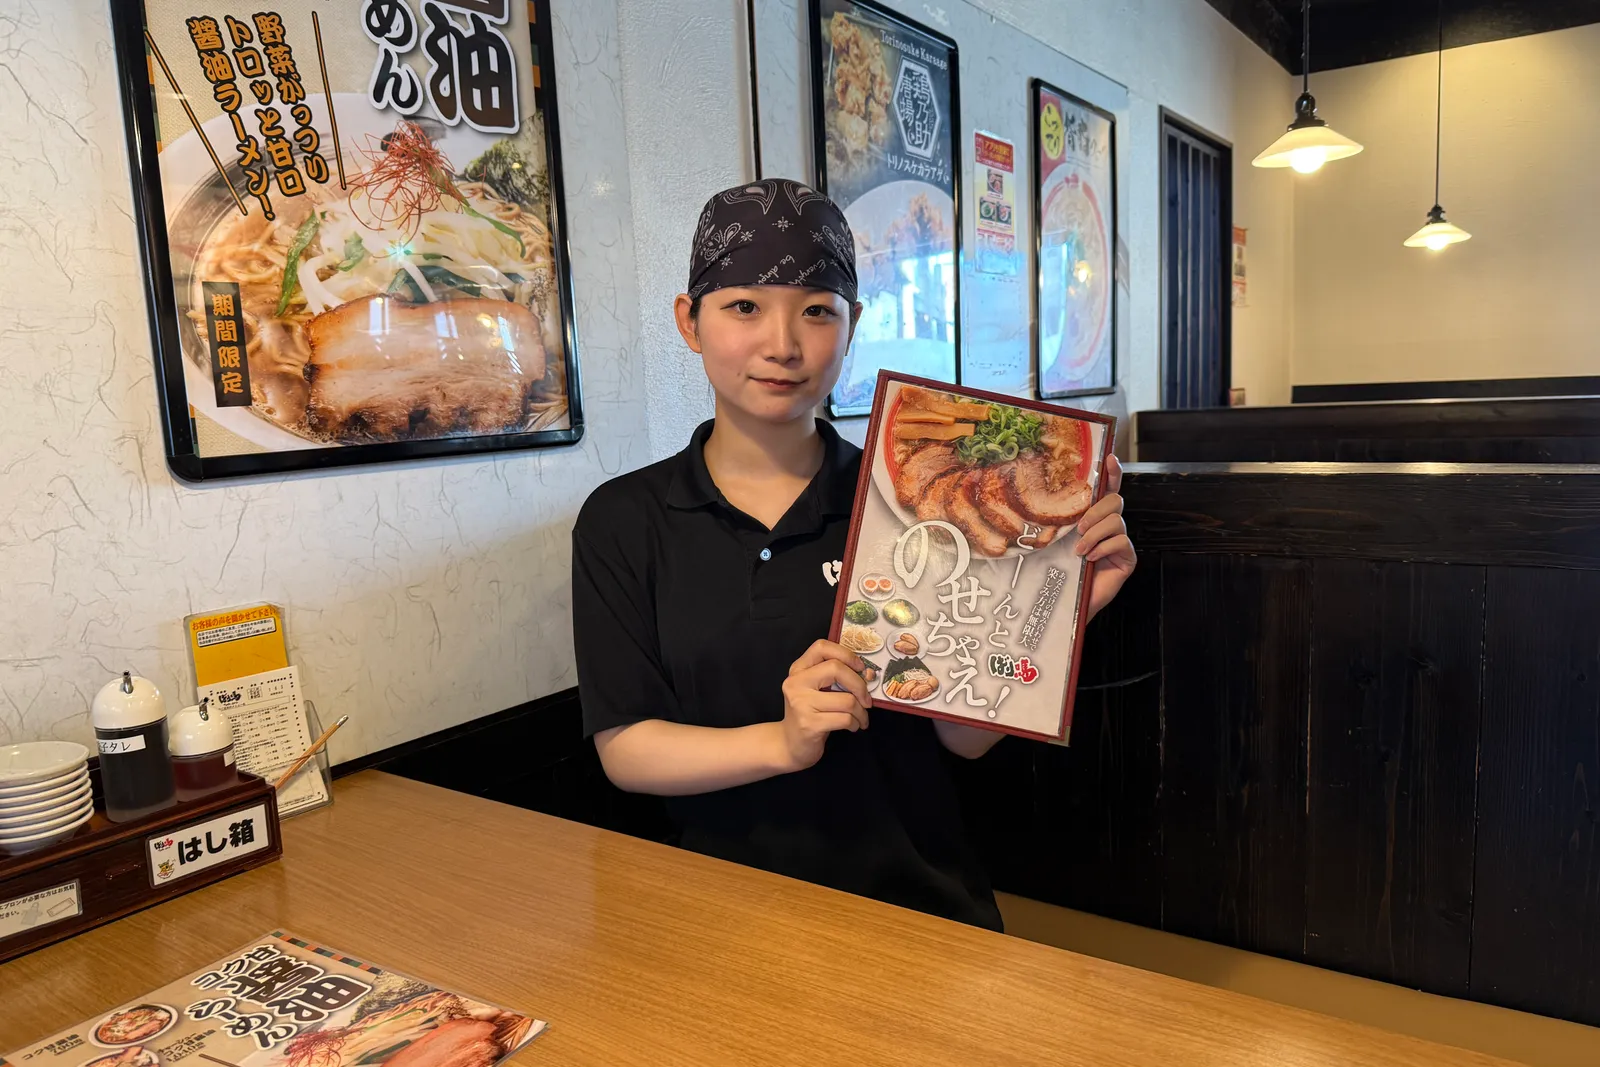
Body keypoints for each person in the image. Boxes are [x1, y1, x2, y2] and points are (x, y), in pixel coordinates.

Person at [570, 179, 1136, 930]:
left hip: (917, 907)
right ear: (690, 320)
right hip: (716, 918)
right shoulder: (625, 520)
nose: (782, 344)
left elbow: (963, 736)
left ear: (853, 324)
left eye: (816, 311)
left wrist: (1065, 602)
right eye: (745, 306)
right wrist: (781, 741)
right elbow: (626, 748)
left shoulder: (913, 501)